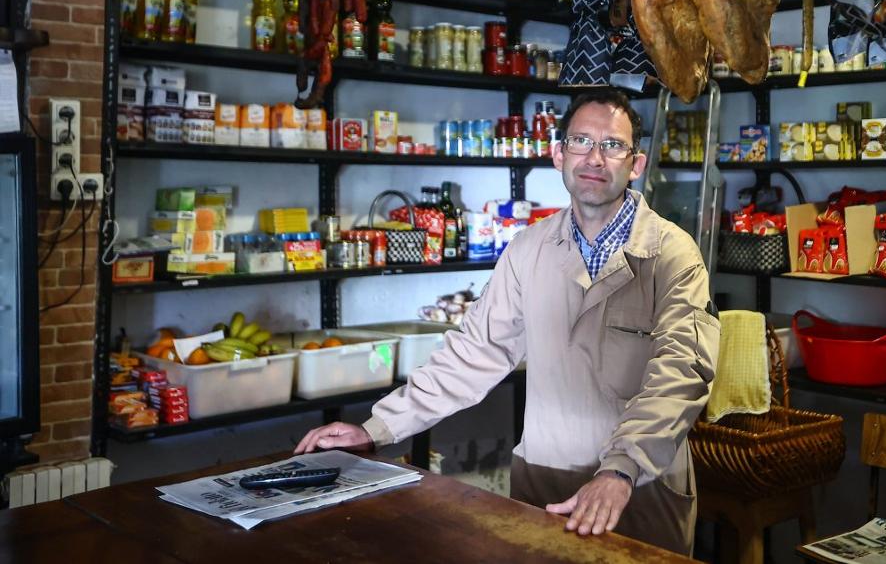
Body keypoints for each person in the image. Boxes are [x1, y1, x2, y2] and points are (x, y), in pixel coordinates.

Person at [295, 89, 720, 555]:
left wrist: (621, 469)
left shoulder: (672, 254)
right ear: (558, 154)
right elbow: (474, 354)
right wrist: (377, 428)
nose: (595, 158)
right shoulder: (528, 250)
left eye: (613, 145)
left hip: (641, 484)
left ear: (636, 164)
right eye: (580, 141)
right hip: (543, 479)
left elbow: (681, 372)